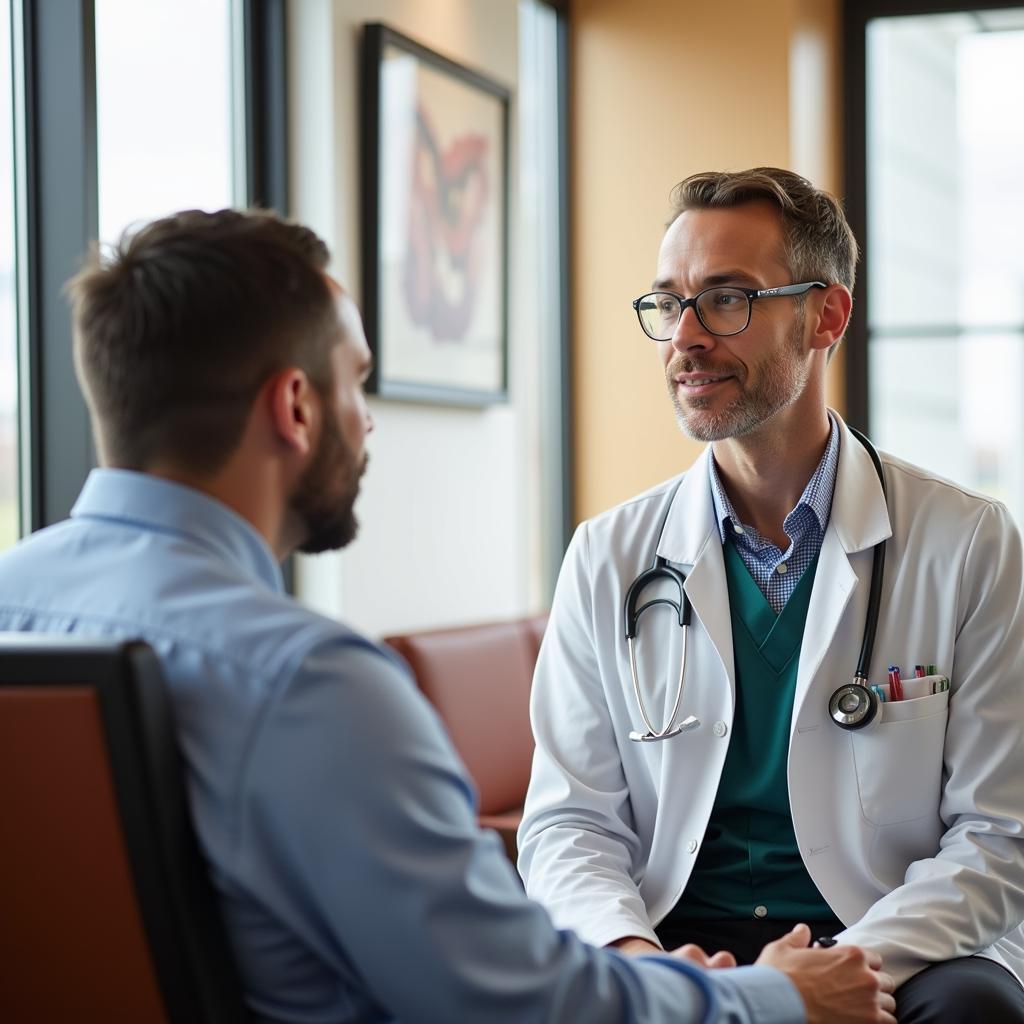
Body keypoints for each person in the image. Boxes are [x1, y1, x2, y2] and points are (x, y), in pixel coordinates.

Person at [0, 208, 894, 1024]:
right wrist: (771, 999)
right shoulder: (312, 686)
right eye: (358, 382)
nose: (370, 423)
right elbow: (520, 1002)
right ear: (296, 407)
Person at [517, 167, 1024, 1024]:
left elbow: (998, 835)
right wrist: (640, 962)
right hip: (674, 932)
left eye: (726, 299)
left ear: (826, 314)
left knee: (973, 1012)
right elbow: (569, 825)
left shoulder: (967, 541)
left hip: (888, 930)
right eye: (667, 303)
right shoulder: (608, 556)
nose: (685, 337)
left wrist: (834, 971)